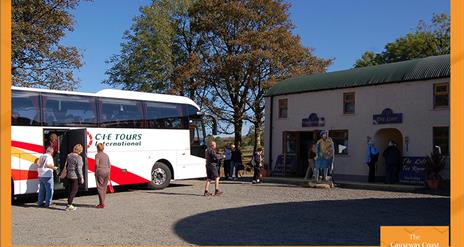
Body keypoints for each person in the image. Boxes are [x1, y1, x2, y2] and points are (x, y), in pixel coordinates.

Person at [65, 144, 84, 211]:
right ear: (80, 150)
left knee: (70, 189)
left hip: (69, 174)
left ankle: (69, 203)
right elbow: (79, 169)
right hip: (75, 176)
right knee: (74, 190)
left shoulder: (69, 155)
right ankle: (69, 205)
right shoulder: (79, 158)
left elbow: (67, 165)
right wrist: (81, 177)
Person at [95, 143, 111, 209]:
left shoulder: (97, 155)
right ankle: (102, 202)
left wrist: (95, 172)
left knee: (100, 187)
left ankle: (101, 204)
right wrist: (109, 173)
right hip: (107, 171)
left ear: (97, 148)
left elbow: (96, 164)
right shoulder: (106, 155)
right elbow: (109, 165)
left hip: (100, 171)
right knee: (104, 188)